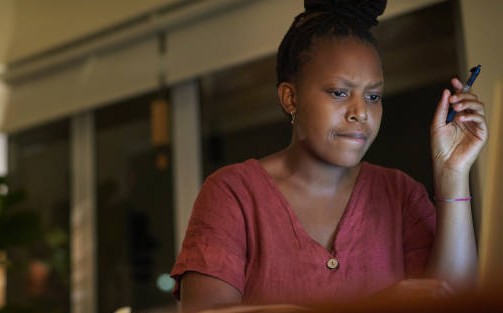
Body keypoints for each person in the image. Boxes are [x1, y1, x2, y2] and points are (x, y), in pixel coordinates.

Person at [170, 0, 488, 312]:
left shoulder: (400, 194)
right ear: (290, 98)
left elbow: (453, 302)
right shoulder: (234, 194)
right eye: (339, 92)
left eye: (373, 96)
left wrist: (453, 175)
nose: (361, 113)